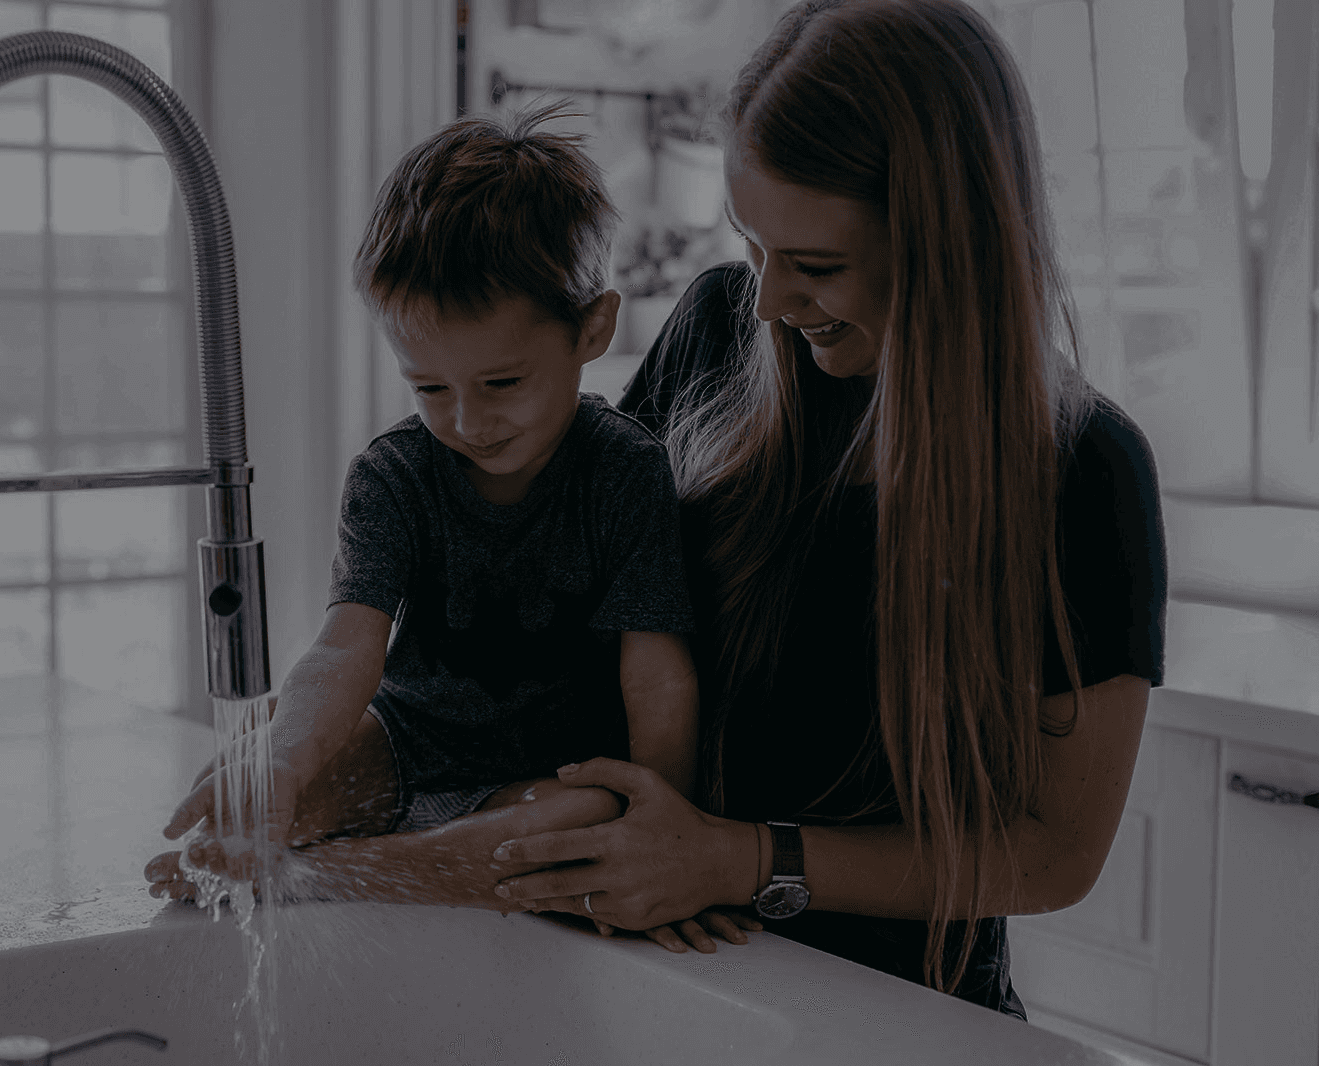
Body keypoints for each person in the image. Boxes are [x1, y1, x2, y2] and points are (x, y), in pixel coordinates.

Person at [484, 0, 1168, 1017]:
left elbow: (1051, 851)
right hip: (662, 978)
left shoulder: (1084, 473)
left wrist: (738, 858)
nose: (766, 301)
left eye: (815, 267)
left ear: (948, 246)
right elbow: (574, 606)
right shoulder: (715, 326)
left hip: (904, 1018)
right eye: (753, 247)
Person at [144, 103, 701, 919]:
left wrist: (668, 827)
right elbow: (344, 650)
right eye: (430, 388)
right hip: (404, 746)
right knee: (267, 778)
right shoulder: (393, 474)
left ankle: (335, 873)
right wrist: (285, 762)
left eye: (501, 383)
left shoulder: (625, 471)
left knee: (582, 823)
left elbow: (656, 674)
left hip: (549, 777)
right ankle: (292, 852)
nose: (469, 423)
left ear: (592, 328)